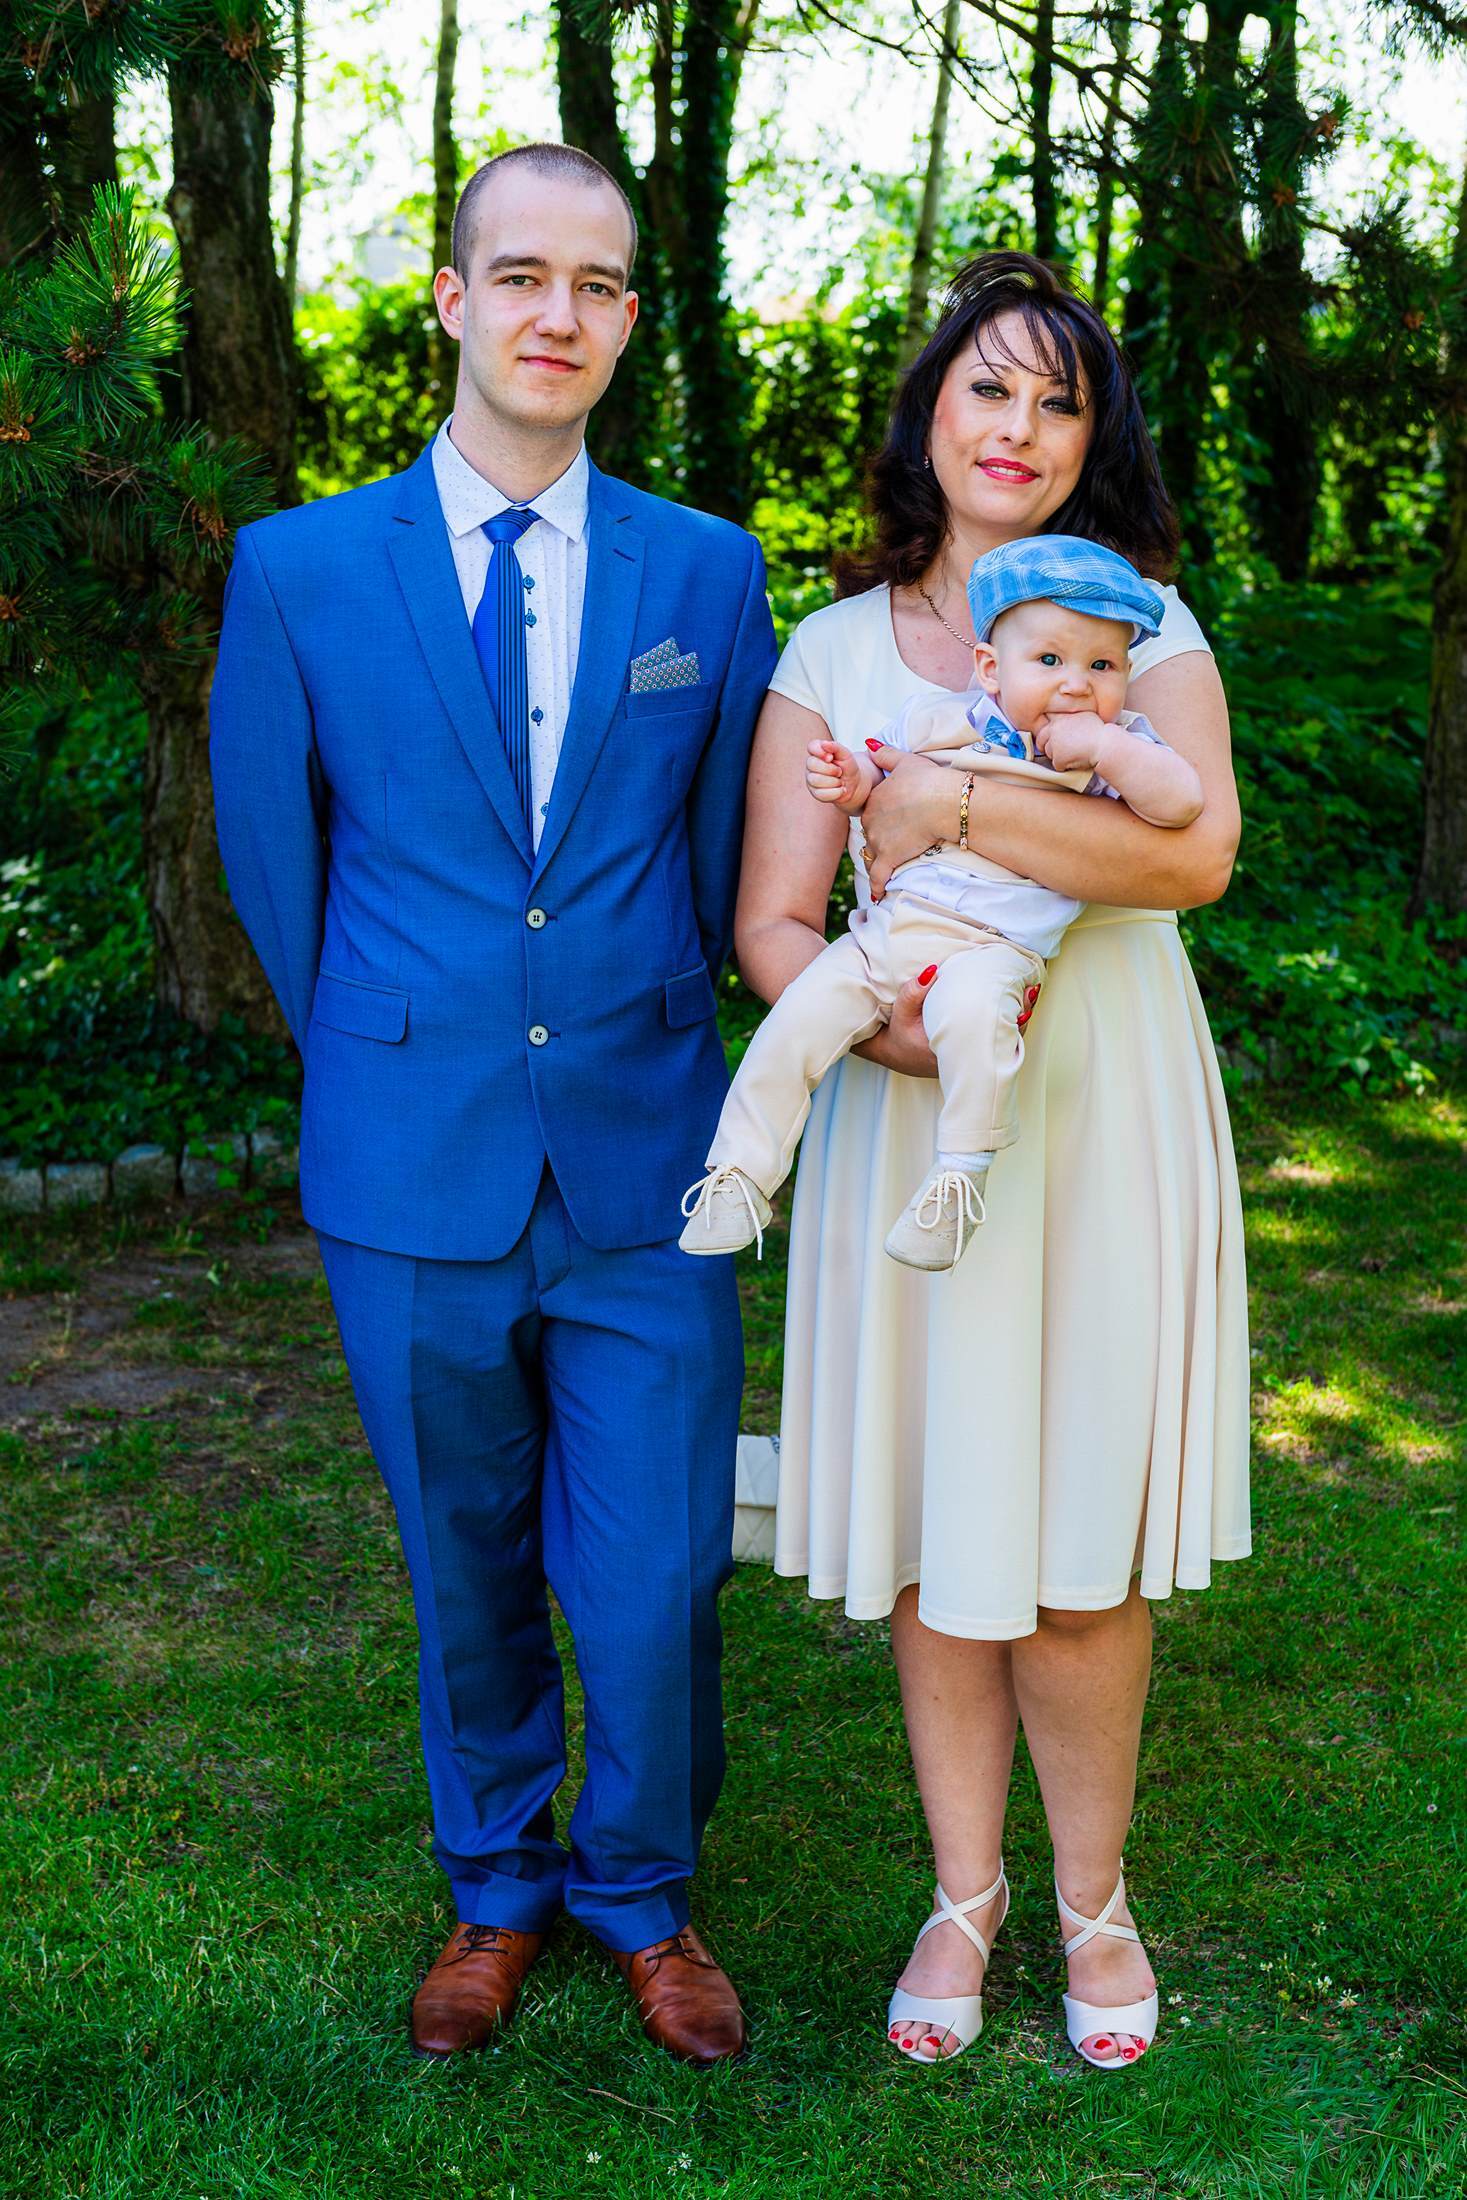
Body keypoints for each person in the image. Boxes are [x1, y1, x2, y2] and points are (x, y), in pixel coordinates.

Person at [210, 143, 775, 2066]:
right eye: (521, 275)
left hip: (647, 1150)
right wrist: (390, 1047)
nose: (559, 313)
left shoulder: (706, 572)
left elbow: (718, 862)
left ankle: (641, 1890)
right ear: (453, 300)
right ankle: (496, 1885)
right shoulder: (299, 570)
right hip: (411, 1149)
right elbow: (275, 867)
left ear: (627, 319)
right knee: (463, 1556)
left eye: (597, 284)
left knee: (658, 1574)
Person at [735, 252, 1250, 2069]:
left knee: (1081, 1533)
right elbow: (775, 917)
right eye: (987, 387)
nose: (1017, 426)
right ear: (929, 412)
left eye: (1057, 400)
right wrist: (894, 1037)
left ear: (1091, 443)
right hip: (912, 1109)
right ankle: (963, 1895)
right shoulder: (831, 648)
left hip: (1101, 1103)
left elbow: (1187, 859)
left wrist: (946, 800)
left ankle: (1093, 1903)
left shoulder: (1142, 626)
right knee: (936, 1515)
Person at [678, 536, 1202, 1271]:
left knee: (975, 1022)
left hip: (994, 948)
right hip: (888, 936)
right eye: (1049, 660)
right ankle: (739, 1171)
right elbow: (881, 775)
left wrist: (1106, 748)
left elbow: (1181, 804)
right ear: (990, 668)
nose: (1075, 685)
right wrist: (851, 780)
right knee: (799, 1018)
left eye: (1102, 666)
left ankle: (959, 1177)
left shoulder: (1118, 751)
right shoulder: (943, 720)